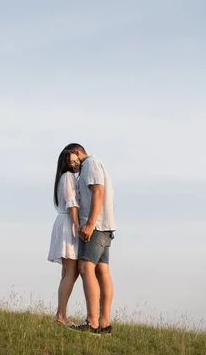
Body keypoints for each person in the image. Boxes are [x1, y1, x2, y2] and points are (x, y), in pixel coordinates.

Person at [65, 143, 116, 335]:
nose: (72, 167)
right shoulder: (96, 163)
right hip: (106, 226)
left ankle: (92, 322)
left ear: (76, 152)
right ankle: (104, 324)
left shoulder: (90, 164)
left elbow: (98, 192)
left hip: (95, 226)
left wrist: (90, 223)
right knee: (102, 271)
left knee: (86, 268)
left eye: (72, 161)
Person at [47, 149, 81, 326]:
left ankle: (61, 314)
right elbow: (72, 203)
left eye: (77, 161)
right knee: (71, 271)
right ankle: (61, 315)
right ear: (65, 164)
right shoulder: (68, 177)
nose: (76, 164)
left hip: (64, 222)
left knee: (67, 272)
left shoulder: (64, 178)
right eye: (72, 162)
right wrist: (76, 225)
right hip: (68, 223)